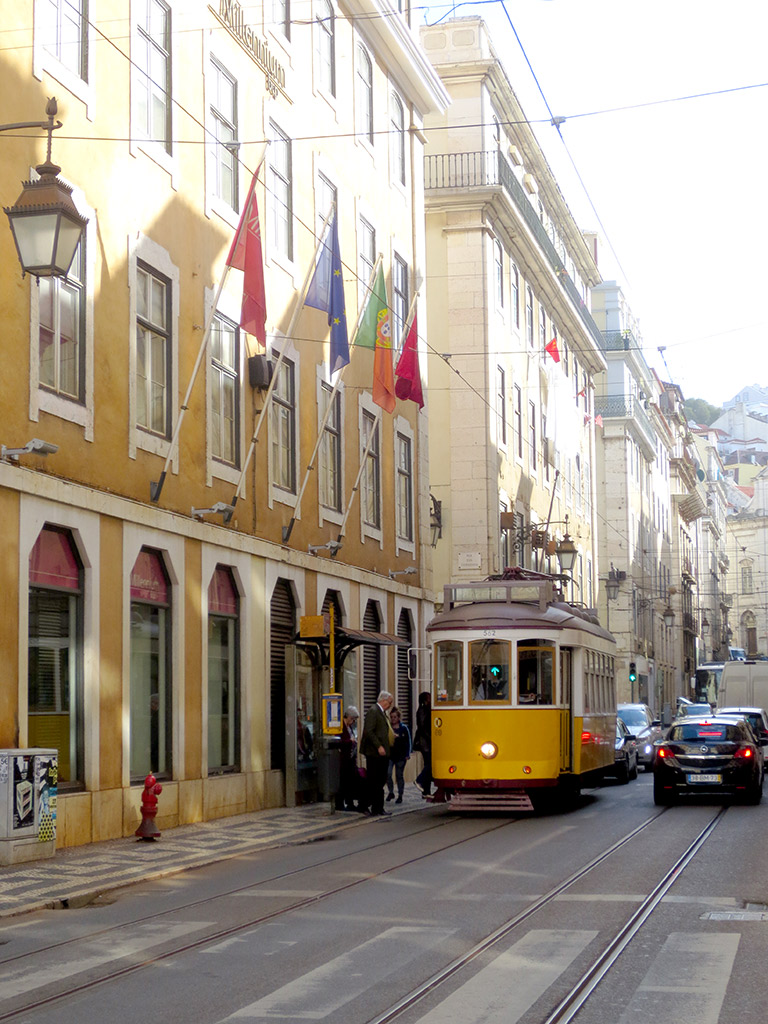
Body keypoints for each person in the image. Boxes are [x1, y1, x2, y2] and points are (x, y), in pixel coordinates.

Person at [360, 690, 394, 815]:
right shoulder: (373, 711)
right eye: (389, 702)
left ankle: (378, 808)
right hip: (374, 753)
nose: (390, 705)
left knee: (380, 781)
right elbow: (369, 731)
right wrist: (379, 746)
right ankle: (364, 805)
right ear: (383, 700)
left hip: (382, 753)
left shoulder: (381, 712)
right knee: (374, 781)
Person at [336, 706, 363, 812]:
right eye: (353, 719)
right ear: (349, 717)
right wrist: (349, 741)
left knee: (350, 781)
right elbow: (339, 741)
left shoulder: (349, 727)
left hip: (351, 758)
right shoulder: (340, 726)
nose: (353, 722)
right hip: (343, 759)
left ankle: (350, 802)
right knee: (343, 782)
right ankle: (340, 803)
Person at [386, 707, 412, 804]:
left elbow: (408, 742)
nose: (393, 719)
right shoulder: (388, 728)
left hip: (401, 756)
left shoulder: (403, 728)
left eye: (395, 717)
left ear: (398, 718)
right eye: (391, 717)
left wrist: (407, 754)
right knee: (388, 773)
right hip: (390, 755)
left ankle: (400, 795)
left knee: (399, 775)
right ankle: (391, 792)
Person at [413, 691, 432, 796]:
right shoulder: (422, 711)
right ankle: (419, 780)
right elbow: (423, 728)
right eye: (429, 698)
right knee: (430, 765)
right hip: (425, 743)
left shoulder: (425, 710)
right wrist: (430, 738)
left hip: (426, 742)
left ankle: (426, 791)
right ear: (425, 700)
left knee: (428, 766)